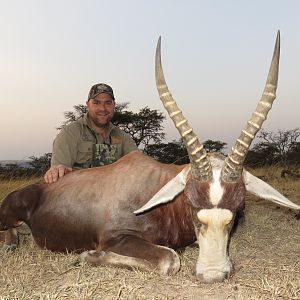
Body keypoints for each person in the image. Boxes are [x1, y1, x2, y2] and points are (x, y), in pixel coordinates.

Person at [44, 83, 138, 183]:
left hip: (114, 194)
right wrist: (57, 169)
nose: (102, 108)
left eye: (108, 103)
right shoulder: (70, 133)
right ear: (88, 105)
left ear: (114, 105)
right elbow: (59, 170)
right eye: (96, 103)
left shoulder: (122, 137)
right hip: (78, 194)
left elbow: (138, 162)